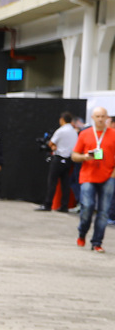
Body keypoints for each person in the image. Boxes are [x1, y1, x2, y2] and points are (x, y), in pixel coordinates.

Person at [71, 106, 114, 253]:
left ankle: (97, 242)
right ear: (93, 118)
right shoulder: (85, 134)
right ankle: (82, 233)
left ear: (107, 117)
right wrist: (84, 157)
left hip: (108, 177)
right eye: (98, 116)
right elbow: (74, 155)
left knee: (103, 211)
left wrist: (113, 173)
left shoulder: (113, 134)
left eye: (103, 116)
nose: (101, 119)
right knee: (87, 207)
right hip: (88, 176)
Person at [37, 112, 78, 212]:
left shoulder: (61, 131)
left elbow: (51, 143)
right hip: (68, 160)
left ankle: (48, 204)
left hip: (59, 158)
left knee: (52, 182)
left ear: (62, 120)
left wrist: (53, 146)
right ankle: (64, 206)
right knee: (65, 183)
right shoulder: (74, 131)